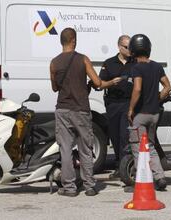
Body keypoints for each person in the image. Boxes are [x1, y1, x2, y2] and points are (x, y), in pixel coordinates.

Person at [50, 28, 121, 197]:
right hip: (80, 109)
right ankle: (89, 186)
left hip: (62, 109)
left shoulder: (54, 63)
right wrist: (112, 81)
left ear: (62, 41)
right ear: (73, 40)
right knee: (85, 148)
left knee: (65, 149)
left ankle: (69, 188)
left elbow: (54, 88)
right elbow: (98, 83)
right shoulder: (83, 59)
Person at [127, 34, 171, 191]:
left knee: (138, 148)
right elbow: (167, 87)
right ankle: (160, 177)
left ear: (132, 50)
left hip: (140, 115)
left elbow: (137, 88)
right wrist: (156, 99)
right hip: (154, 114)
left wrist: (131, 109)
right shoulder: (157, 66)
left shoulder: (136, 68)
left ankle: (141, 182)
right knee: (151, 146)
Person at [99, 35, 135, 179]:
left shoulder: (135, 62)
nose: (130, 50)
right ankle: (118, 165)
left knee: (125, 136)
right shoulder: (109, 63)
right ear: (119, 47)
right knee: (114, 136)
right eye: (127, 47)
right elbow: (100, 82)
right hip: (113, 104)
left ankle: (124, 167)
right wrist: (111, 82)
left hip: (128, 103)